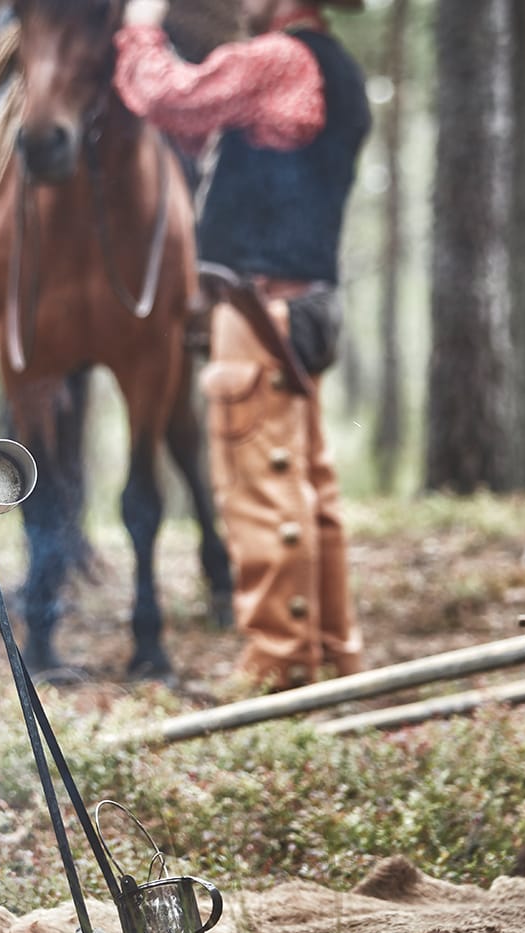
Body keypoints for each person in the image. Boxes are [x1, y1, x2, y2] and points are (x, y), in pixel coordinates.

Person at [116, 0, 370, 689]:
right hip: (303, 301)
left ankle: (279, 667)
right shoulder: (332, 66)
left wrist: (141, 21)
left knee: (262, 494)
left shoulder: (278, 59)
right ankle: (331, 656)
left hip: (261, 313)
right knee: (306, 490)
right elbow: (228, 137)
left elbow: (167, 93)